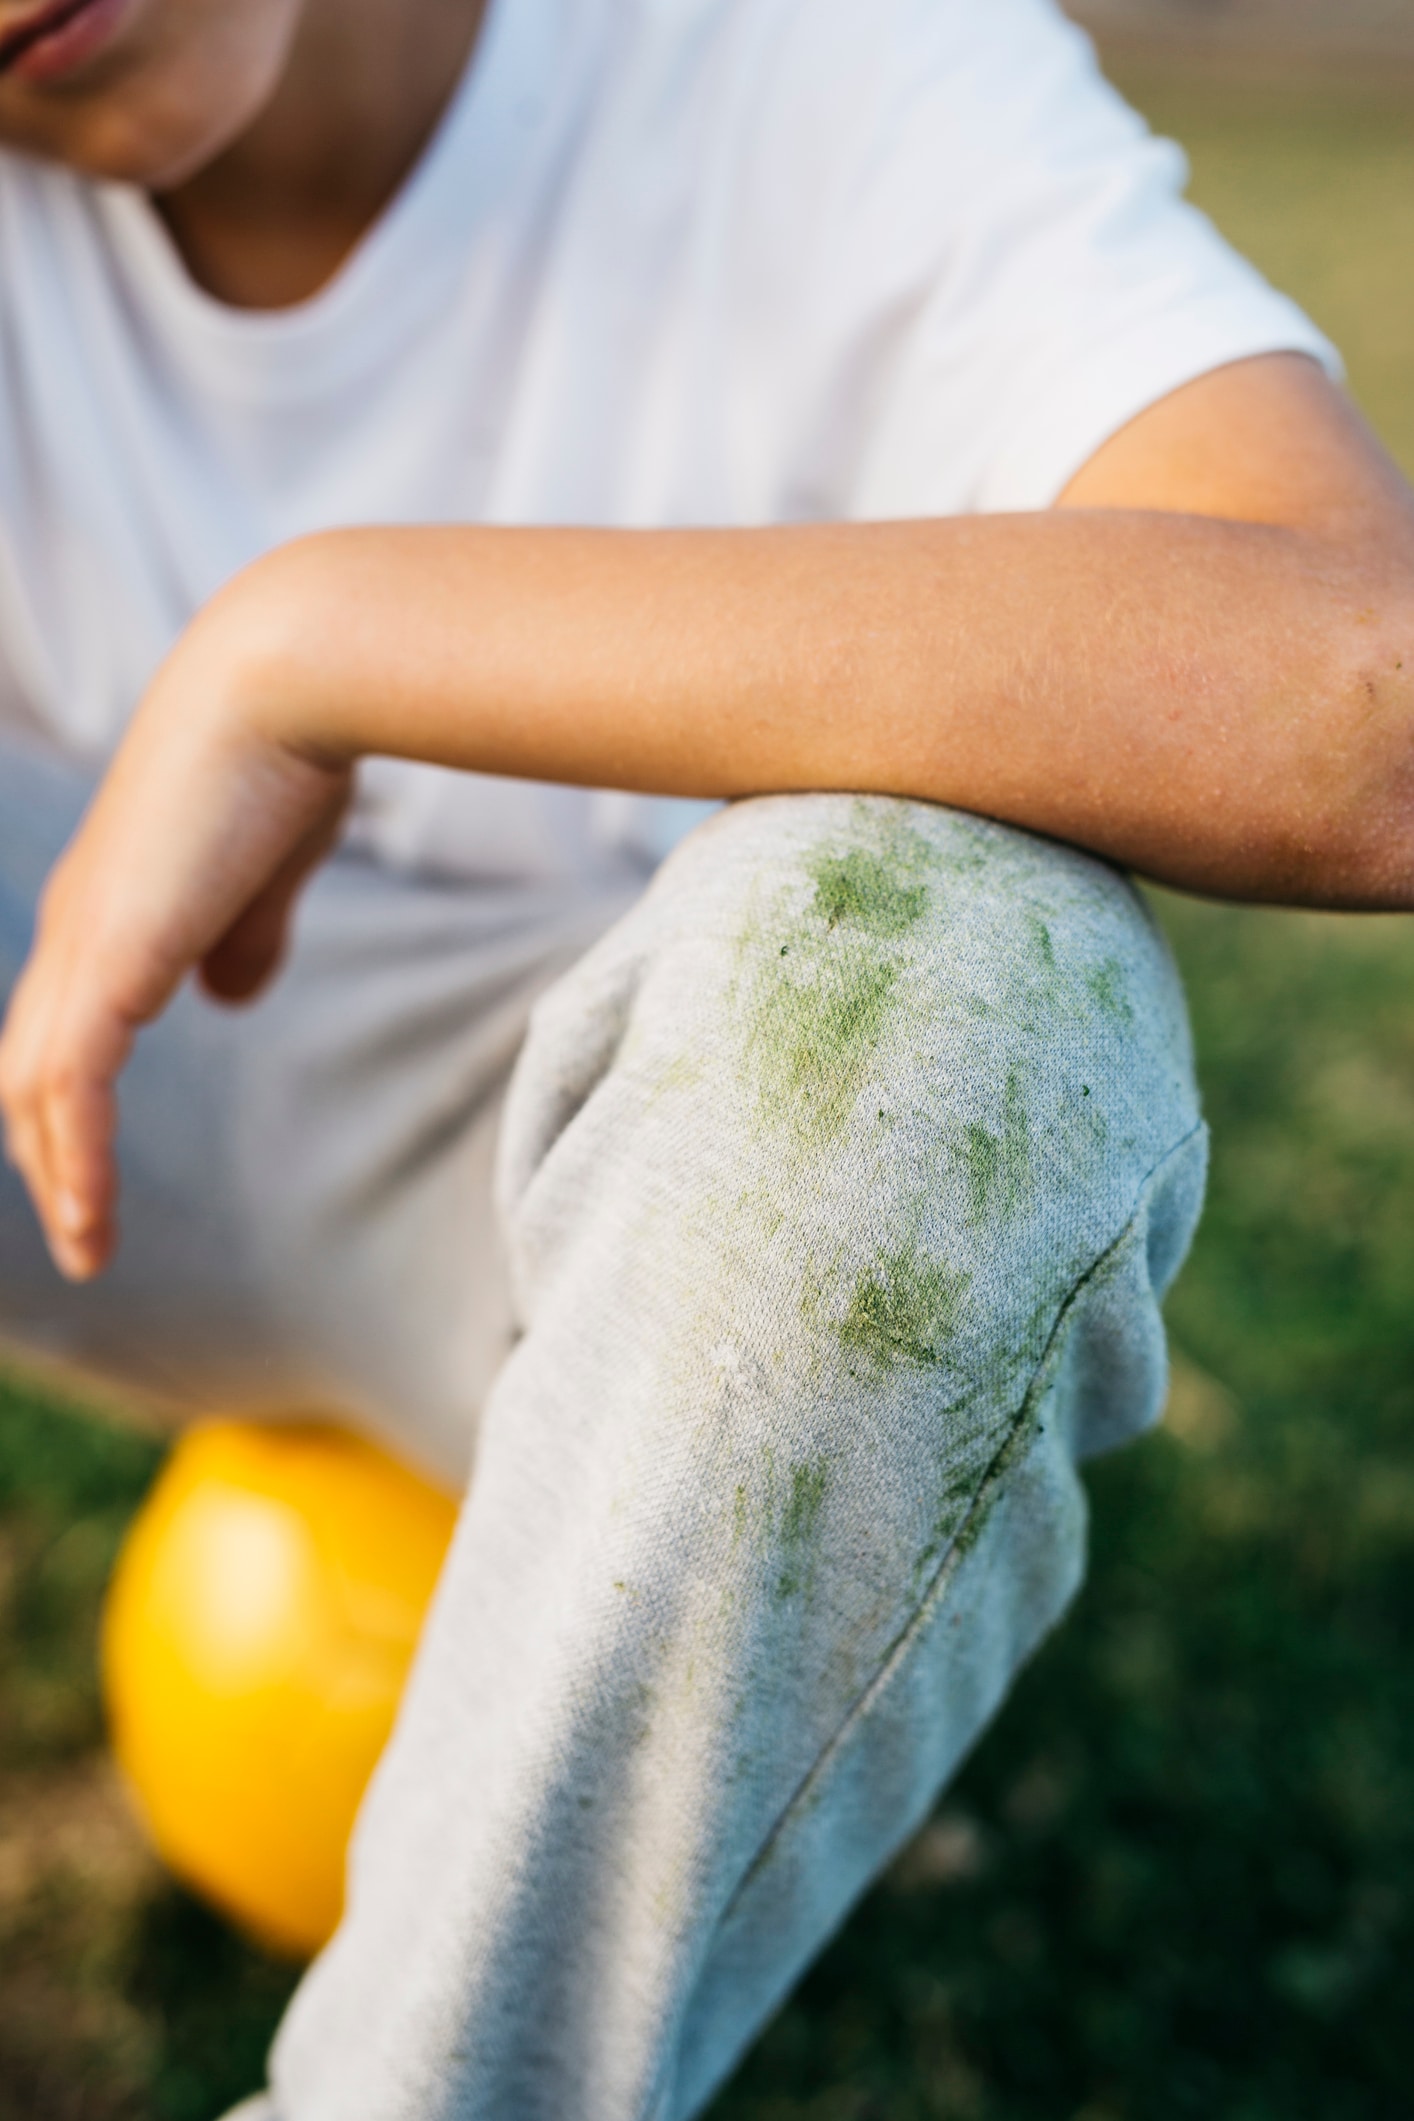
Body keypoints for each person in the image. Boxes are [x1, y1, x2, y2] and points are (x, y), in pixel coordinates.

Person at [0, 0, 1410, 2112]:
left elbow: (1368, 685)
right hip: (111, 1115)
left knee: (953, 982)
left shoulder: (800, 52)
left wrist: (315, 634)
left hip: (673, 1208)